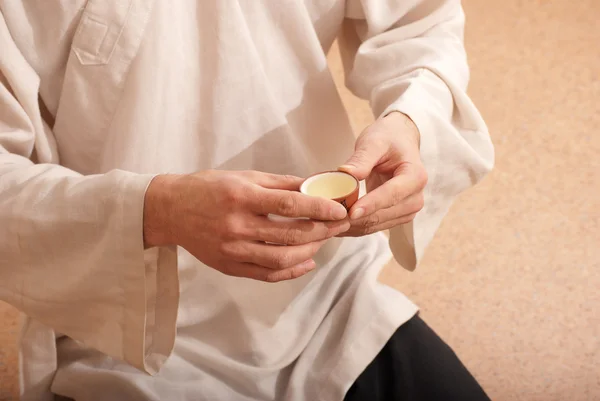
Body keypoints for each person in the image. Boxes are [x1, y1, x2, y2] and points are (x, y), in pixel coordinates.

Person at [0, 0, 494, 400]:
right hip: (122, 327)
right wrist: (160, 209)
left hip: (323, 296)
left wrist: (411, 119)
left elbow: (417, 22)